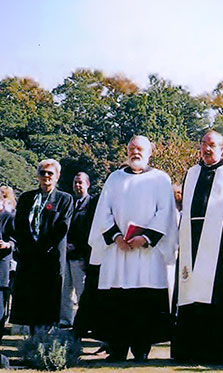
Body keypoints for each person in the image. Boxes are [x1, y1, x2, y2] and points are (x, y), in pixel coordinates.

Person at [88, 135, 178, 362]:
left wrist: (146, 237)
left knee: (143, 303)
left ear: (150, 152)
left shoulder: (160, 179)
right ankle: (117, 348)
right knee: (117, 302)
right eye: (131, 148)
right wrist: (116, 236)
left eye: (140, 149)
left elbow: (166, 212)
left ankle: (141, 349)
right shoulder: (114, 179)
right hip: (119, 252)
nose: (135, 152)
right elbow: (103, 212)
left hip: (146, 254)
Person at [172, 131, 223, 364]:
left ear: (222, 148)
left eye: (212, 145)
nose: (207, 149)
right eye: (203, 144)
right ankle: (188, 351)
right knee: (190, 295)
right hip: (191, 245)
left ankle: (219, 353)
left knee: (218, 300)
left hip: (222, 248)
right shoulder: (192, 173)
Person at [9, 159, 74, 331]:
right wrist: (30, 247)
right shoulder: (27, 198)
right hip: (30, 258)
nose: (46, 176)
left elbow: (62, 227)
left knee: (49, 300)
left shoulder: (64, 199)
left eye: (50, 173)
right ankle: (32, 339)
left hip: (50, 258)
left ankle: (45, 342)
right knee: (30, 301)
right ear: (37, 175)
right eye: (43, 172)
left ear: (57, 176)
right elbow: (20, 225)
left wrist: (44, 247)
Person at [60, 172, 96, 328]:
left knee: (82, 291)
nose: (77, 186)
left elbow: (90, 230)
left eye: (80, 182)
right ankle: (66, 321)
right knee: (65, 290)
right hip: (65, 254)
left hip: (81, 255)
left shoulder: (92, 204)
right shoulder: (69, 203)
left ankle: (85, 323)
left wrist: (79, 247)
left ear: (88, 184)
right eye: (75, 183)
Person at [0, 187, 17, 343]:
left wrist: (7, 244)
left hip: (3, 267)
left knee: (1, 304)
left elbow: (16, 240)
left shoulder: (8, 217)